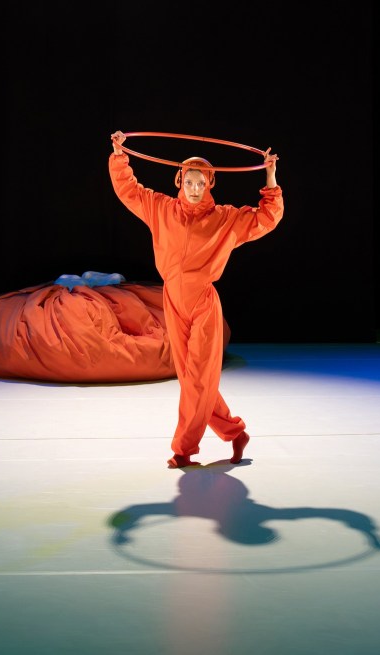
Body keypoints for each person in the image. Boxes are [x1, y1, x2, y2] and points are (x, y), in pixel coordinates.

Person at [108, 130, 284, 468]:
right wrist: (120, 154)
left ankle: (183, 449)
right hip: (173, 300)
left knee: (200, 379)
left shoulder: (224, 219)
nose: (194, 188)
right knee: (191, 379)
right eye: (189, 181)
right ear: (179, 180)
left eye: (200, 183)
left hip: (203, 302)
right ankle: (234, 432)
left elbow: (267, 217)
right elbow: (128, 189)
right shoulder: (159, 208)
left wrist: (270, 174)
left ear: (209, 185)